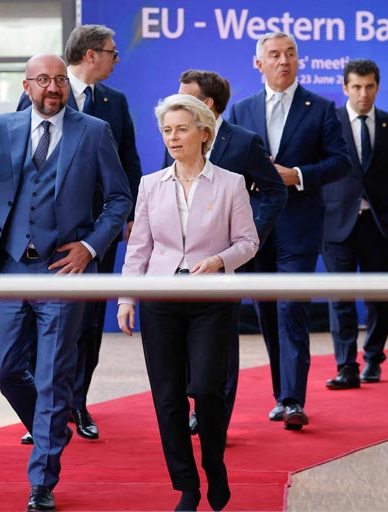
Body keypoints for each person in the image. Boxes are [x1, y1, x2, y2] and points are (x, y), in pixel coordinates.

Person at [0, 53, 132, 511]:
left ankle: (42, 480)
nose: (53, 87)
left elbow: (119, 198)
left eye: (60, 80)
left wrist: (90, 247)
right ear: (27, 87)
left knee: (53, 376)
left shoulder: (94, 132)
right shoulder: (2, 126)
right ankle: (51, 429)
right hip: (11, 268)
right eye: (43, 80)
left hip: (62, 271)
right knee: (3, 366)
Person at [118, 94, 258, 511]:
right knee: (167, 397)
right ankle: (187, 485)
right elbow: (139, 248)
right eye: (167, 130)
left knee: (209, 390)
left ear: (204, 133)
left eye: (181, 129)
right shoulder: (150, 185)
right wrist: (127, 297)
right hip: (161, 300)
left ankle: (214, 464)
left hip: (211, 299)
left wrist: (220, 261)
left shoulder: (230, 183)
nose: (173, 137)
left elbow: (248, 242)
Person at [16, 24, 142, 442]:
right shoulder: (40, 91)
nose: (116, 60)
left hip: (95, 236)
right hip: (43, 238)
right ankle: (41, 410)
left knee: (88, 323)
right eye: (111, 52)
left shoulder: (114, 102)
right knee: (37, 324)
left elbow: (128, 163)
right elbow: (18, 162)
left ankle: (77, 403)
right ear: (90, 54)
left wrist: (127, 219)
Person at [228, 31, 350, 429]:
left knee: (291, 308)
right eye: (276, 55)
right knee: (267, 312)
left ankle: (294, 400)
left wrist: (295, 174)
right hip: (256, 228)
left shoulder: (321, 108)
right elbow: (228, 165)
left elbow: (340, 162)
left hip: (300, 227)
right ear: (259, 63)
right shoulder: (241, 110)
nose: (285, 61)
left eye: (291, 54)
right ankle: (281, 394)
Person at [163, 69, 286, 435]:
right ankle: (195, 404)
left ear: (207, 104)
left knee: (221, 342)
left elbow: (275, 191)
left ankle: (214, 415)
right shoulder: (176, 136)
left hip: (227, 261)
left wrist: (249, 240)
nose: (176, 102)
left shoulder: (244, 142)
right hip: (182, 260)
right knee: (184, 337)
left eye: (184, 97)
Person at [322, 59, 388, 389]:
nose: (363, 94)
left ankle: (373, 358)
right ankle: (346, 365)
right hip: (336, 223)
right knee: (340, 298)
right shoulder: (328, 121)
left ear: (377, 87)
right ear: (345, 88)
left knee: (378, 298)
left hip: (378, 224)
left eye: (369, 86)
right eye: (356, 87)